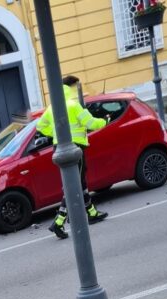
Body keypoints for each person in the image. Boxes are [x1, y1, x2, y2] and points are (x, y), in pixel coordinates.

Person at [37, 75, 109, 239]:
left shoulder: (52, 107)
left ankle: (91, 213)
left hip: (59, 147)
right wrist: (105, 121)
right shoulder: (73, 105)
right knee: (74, 184)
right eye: (77, 87)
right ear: (71, 88)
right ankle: (59, 222)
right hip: (76, 147)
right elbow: (91, 124)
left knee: (78, 182)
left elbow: (40, 126)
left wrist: (56, 134)